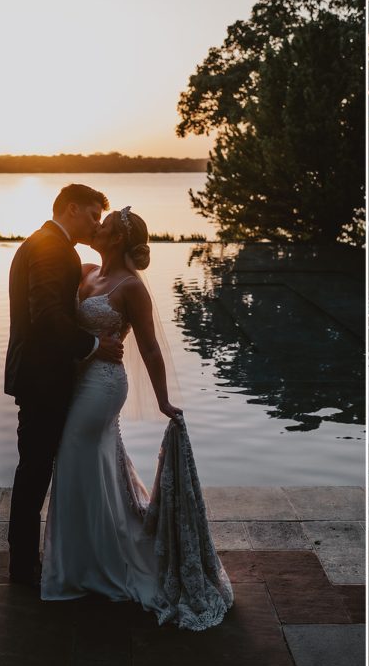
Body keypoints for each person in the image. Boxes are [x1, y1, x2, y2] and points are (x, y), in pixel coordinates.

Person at [40, 206, 233, 631]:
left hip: (104, 386)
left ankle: (94, 567)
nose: (96, 226)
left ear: (116, 240)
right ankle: (84, 558)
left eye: (104, 225)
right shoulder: (85, 270)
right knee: (87, 465)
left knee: (75, 458)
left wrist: (164, 400)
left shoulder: (131, 288)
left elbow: (148, 347)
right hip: (78, 381)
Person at [5, 184, 122, 586]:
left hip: (43, 375)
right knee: (35, 469)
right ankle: (23, 568)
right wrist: (95, 345)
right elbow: (47, 316)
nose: (97, 223)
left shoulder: (48, 243)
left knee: (35, 468)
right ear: (71, 208)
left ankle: (29, 560)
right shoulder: (51, 248)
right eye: (93, 214)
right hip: (41, 378)